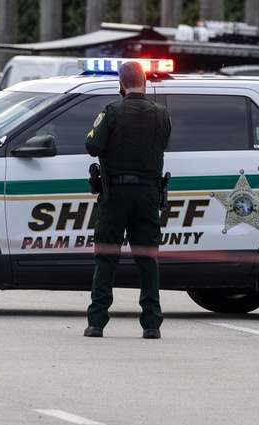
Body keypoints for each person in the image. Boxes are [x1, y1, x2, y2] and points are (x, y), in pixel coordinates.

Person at [83, 60, 173, 339]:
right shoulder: (161, 114)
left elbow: (92, 145)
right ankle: (152, 324)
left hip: (115, 195)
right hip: (147, 195)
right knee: (148, 259)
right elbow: (164, 143)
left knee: (106, 257)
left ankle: (97, 322)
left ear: (120, 84)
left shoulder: (111, 111)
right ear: (144, 82)